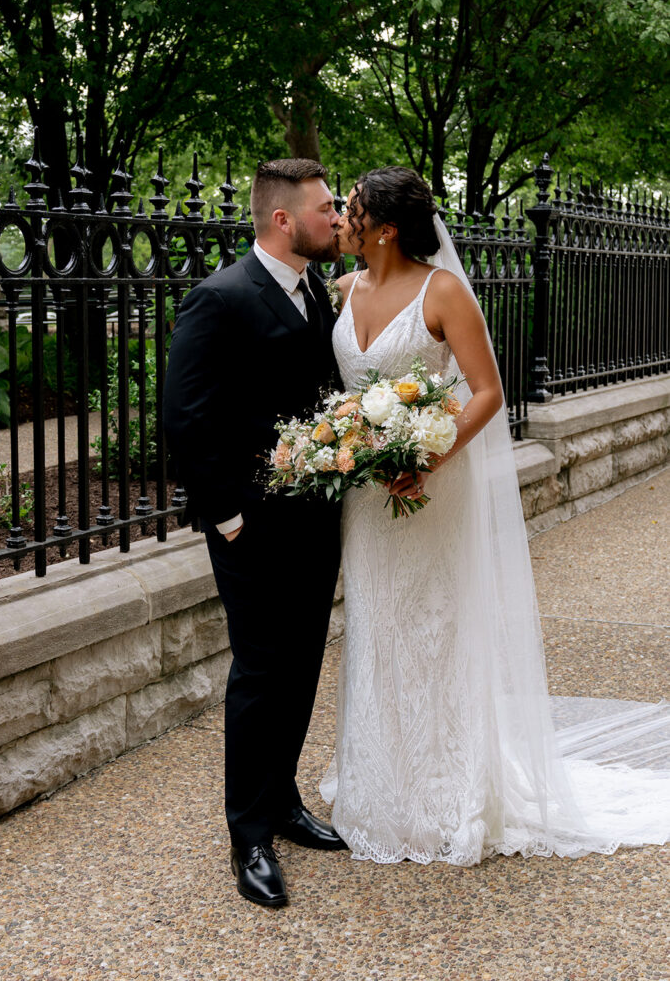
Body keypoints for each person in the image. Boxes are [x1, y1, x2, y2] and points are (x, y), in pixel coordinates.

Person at [320, 165, 670, 865]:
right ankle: (379, 781)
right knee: (376, 622)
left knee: (433, 624)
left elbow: (486, 391)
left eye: (350, 208)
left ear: (384, 229)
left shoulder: (440, 289)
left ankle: (447, 787)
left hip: (429, 486)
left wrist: (426, 457)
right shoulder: (341, 287)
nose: (337, 215)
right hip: (365, 495)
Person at [163, 158, 347, 908]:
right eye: (326, 208)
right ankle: (248, 834)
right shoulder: (219, 298)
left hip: (314, 519)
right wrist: (228, 516)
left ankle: (282, 801)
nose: (338, 218)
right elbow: (185, 417)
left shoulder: (315, 295)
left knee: (301, 662)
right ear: (283, 219)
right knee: (260, 668)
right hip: (250, 526)